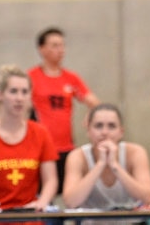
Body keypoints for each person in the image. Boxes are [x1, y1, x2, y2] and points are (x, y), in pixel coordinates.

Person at [0, 65, 58, 212]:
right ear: (0, 94)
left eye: (24, 92)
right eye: (13, 91)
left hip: (28, 216)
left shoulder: (41, 133)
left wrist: (42, 202)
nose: (19, 98)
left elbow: (50, 179)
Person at [28, 26, 99, 192]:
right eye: (54, 45)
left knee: (73, 192)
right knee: (43, 194)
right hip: (41, 149)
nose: (60, 50)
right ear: (42, 49)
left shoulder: (70, 78)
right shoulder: (32, 77)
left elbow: (95, 103)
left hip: (66, 148)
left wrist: (91, 116)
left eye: (62, 45)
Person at [62, 103, 150, 214]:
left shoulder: (135, 153)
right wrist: (100, 164)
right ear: (88, 131)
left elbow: (147, 198)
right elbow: (71, 202)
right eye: (98, 126)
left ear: (121, 132)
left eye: (111, 126)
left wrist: (114, 165)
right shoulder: (77, 156)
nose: (105, 132)